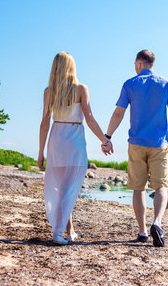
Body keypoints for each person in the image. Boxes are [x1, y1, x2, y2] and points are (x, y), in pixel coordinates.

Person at [103, 49, 168, 247]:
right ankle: (157, 222)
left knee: (138, 189)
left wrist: (108, 136)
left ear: (139, 64)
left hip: (136, 143)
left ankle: (142, 231)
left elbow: (118, 113)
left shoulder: (130, 84)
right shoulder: (167, 83)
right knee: (161, 186)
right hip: (159, 143)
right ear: (152, 64)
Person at [38, 52, 112, 245]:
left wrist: (40, 151)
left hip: (56, 139)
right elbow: (90, 119)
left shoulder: (49, 91)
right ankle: (58, 232)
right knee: (67, 188)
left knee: (62, 187)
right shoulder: (80, 88)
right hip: (74, 140)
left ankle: (69, 230)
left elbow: (44, 123)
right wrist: (105, 140)